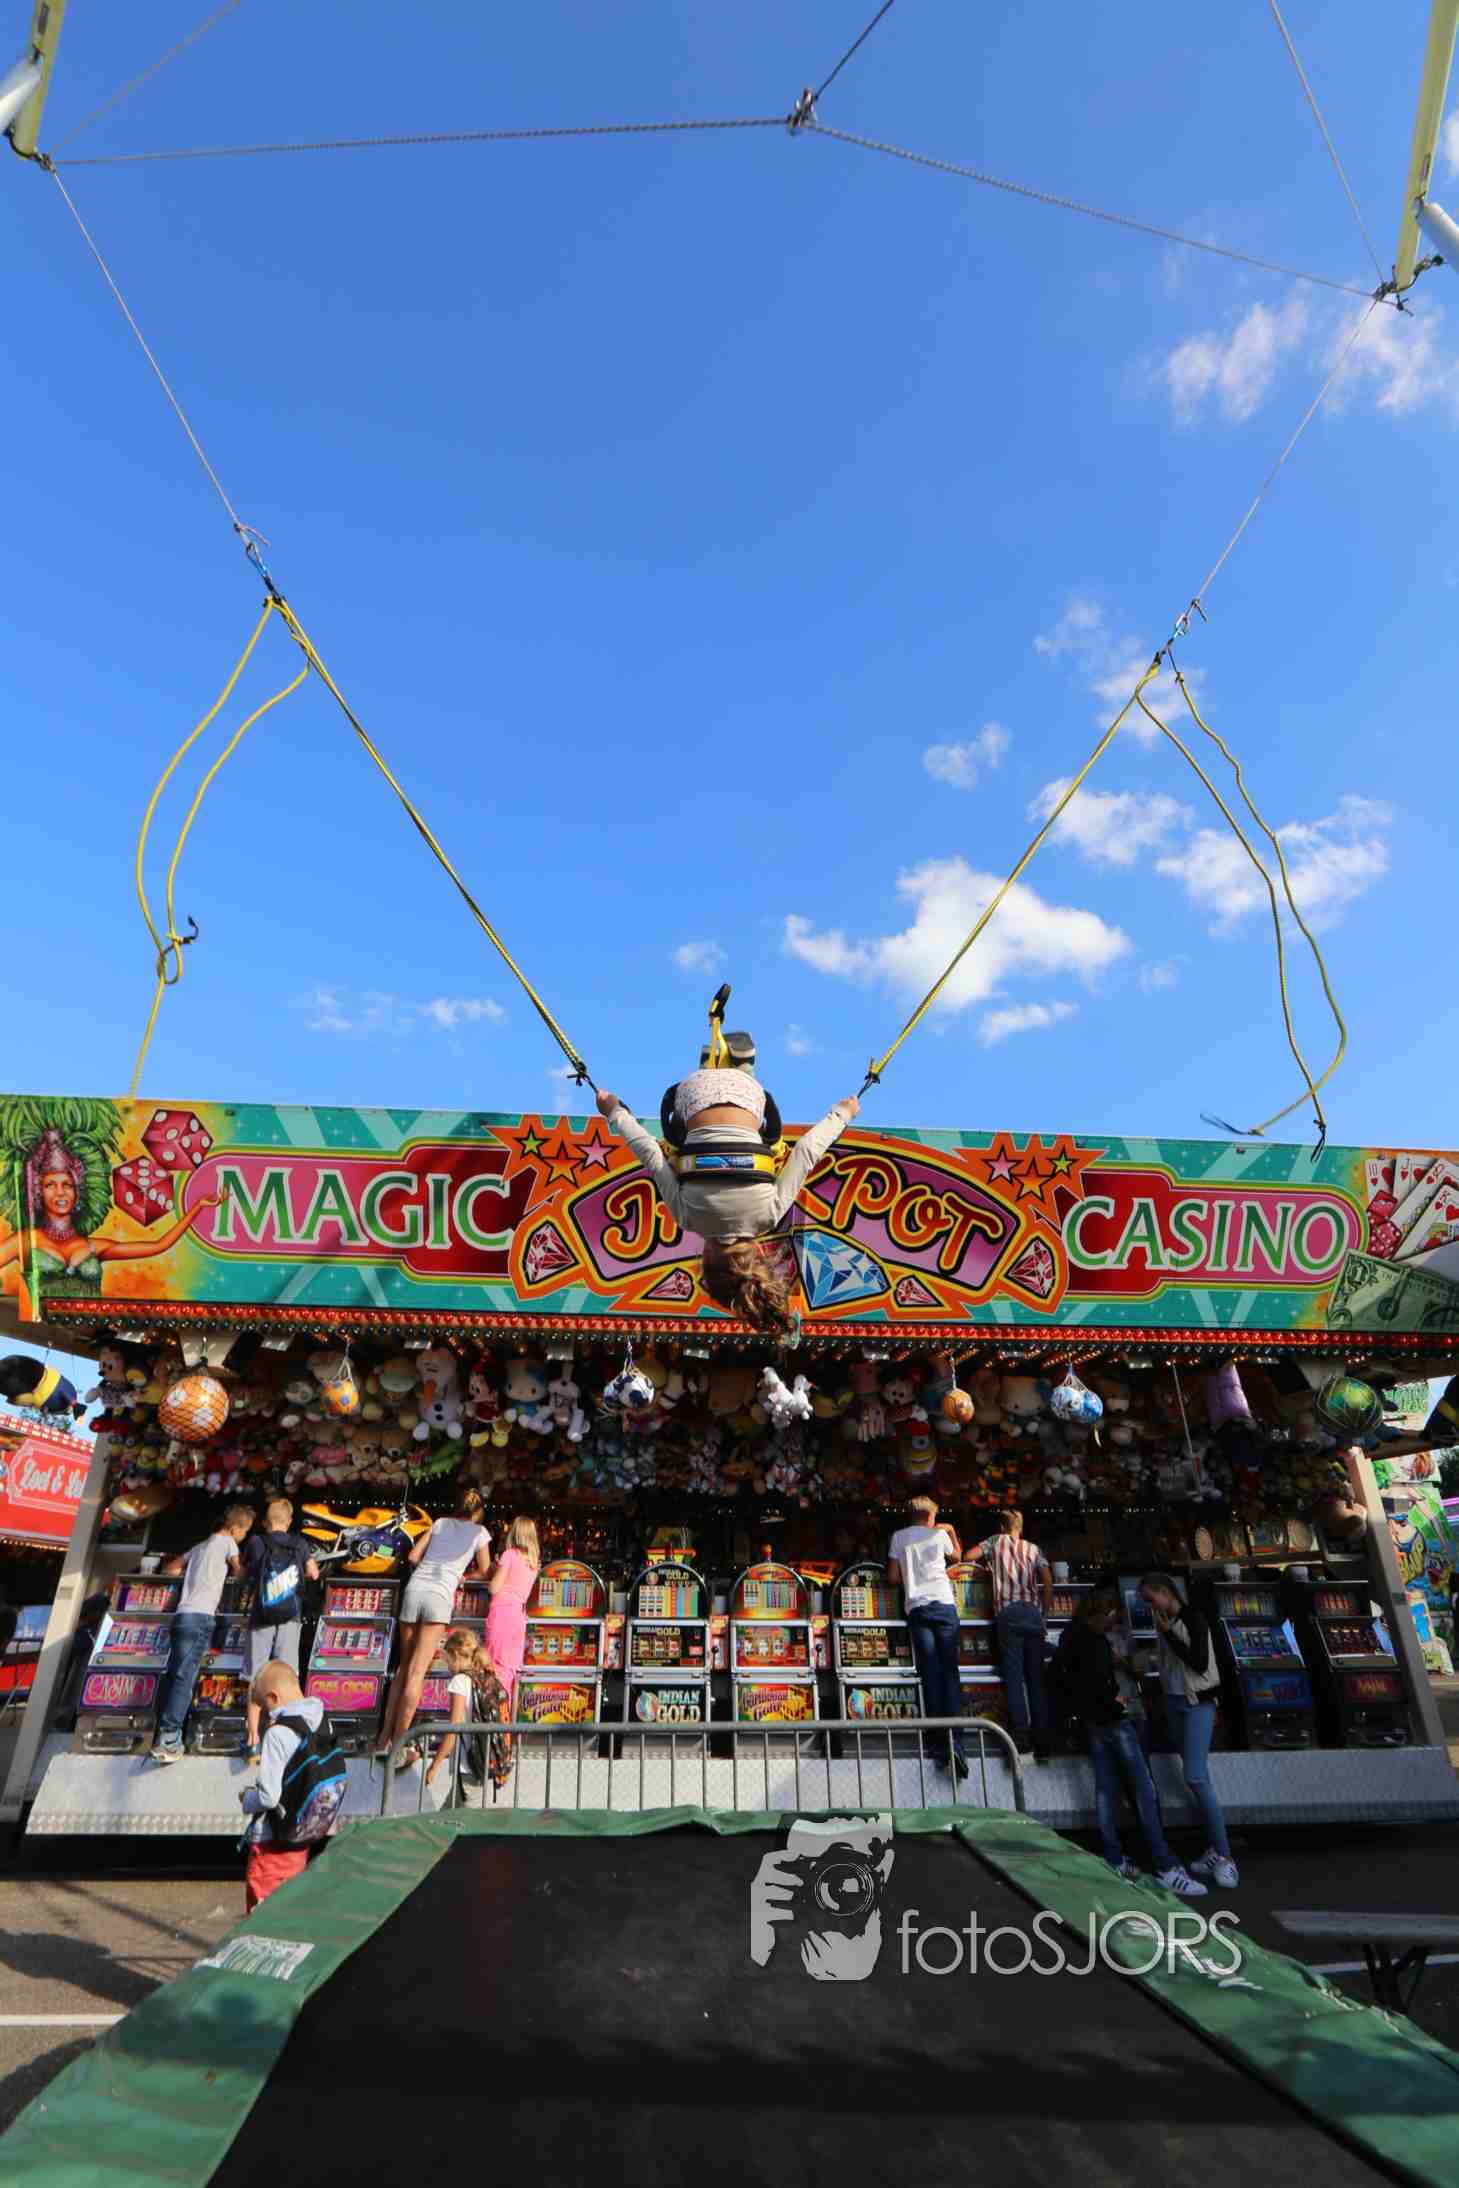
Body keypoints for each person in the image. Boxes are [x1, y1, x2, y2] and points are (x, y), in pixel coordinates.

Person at [595, 1076, 859, 1336]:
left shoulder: (769, 1215)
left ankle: (741, 1070)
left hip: (750, 1095)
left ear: (756, 1253)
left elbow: (805, 1151)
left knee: (770, 1147)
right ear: (708, 1257)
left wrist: (843, 1113)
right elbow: (651, 1155)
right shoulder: (687, 1217)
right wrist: (614, 1111)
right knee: (675, 1149)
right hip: (693, 1092)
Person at [1052, 1594, 1206, 1895]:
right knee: (1144, 1789)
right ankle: (1164, 1864)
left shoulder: (1070, 1637)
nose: (1113, 1622)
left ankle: (1114, 1858)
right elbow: (1101, 1683)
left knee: (1105, 1790)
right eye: (1112, 1616)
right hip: (1114, 1721)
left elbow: (1063, 1679)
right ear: (1103, 1614)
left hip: (1093, 1723)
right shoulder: (1096, 1642)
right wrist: (1117, 1702)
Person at [0, 1115, 218, 1319]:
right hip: (39, 1326)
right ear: (39, 1192)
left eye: (67, 1185)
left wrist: (197, 1207)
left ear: (77, 1192)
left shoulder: (96, 1246)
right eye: (50, 1185)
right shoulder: (25, 1240)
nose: (60, 1192)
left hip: (88, 1329)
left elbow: (159, 1245)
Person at [376, 1487, 491, 1762]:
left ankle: (382, 1740)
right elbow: (485, 1570)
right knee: (418, 1672)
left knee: (403, 1669)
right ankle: (400, 1746)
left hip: (415, 1590)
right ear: (477, 1512)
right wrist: (464, 1576)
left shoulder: (439, 1523)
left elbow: (413, 1556)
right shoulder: (479, 1533)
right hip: (439, 1596)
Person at [1139, 1572, 1238, 1889]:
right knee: (1197, 1776)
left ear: (1165, 1592)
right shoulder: (1165, 1622)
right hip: (1175, 1700)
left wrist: (1168, 1634)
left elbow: (1198, 1661)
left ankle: (1225, 1855)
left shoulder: (1192, 1618)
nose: (1150, 1606)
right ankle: (1216, 1849)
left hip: (1197, 1702)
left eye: (1150, 1599)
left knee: (1195, 1776)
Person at [238, 1661, 346, 1911]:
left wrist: (247, 1799)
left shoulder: (278, 1734)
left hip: (272, 1842)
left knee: (262, 1918)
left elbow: (268, 1797)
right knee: (288, 1911)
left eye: (266, 1709)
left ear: (273, 1697)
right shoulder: (321, 1719)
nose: (268, 1717)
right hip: (302, 1837)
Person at [152, 1504, 255, 1763]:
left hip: (181, 1616)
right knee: (185, 1679)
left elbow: (171, 1569)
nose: (243, 1537)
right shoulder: (228, 1544)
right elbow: (239, 1572)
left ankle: (163, 1732)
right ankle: (169, 1739)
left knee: (175, 1675)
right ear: (236, 1528)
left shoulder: (198, 1547)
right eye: (245, 1532)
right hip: (201, 1617)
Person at [887, 1494, 966, 1780]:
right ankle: (957, 1742)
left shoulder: (899, 1537)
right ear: (932, 1516)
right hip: (944, 1604)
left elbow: (893, 1578)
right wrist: (951, 1530)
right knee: (950, 1673)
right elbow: (957, 1558)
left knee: (930, 1673)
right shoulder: (938, 1534)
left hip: (917, 1608)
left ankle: (936, 1743)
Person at [241, 1497, 322, 1763]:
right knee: (286, 1677)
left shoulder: (256, 1542)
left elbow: (246, 1575)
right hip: (290, 1617)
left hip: (261, 1616)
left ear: (266, 1521)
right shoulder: (300, 1543)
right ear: (288, 1521)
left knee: (256, 1676)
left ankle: (253, 1740)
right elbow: (313, 1575)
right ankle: (284, 1737)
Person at [969, 1509, 1052, 1760]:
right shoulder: (1034, 1549)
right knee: (1036, 1680)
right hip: (1033, 1613)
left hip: (1008, 1613)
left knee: (1014, 1678)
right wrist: (1044, 1613)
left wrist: (988, 1569)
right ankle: (1043, 1741)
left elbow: (967, 1556)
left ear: (1002, 1527)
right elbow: (1047, 1581)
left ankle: (1021, 1737)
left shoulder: (995, 1541)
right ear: (1020, 1528)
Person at [424, 1627, 513, 1796]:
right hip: (482, 1764)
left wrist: (434, 1766)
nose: (447, 1667)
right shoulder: (484, 1677)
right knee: (453, 1811)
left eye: (448, 1660)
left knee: (464, 1811)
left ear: (456, 1655)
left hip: (468, 1767)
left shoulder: (459, 1681)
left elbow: (453, 1729)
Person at [484, 1515, 541, 1713]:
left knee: (495, 1666)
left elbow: (494, 1587)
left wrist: (495, 1570)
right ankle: (507, 1717)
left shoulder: (509, 1555)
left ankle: (495, 1716)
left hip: (501, 1613)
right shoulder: (534, 1563)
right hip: (518, 1617)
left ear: (514, 1533)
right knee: (510, 1669)